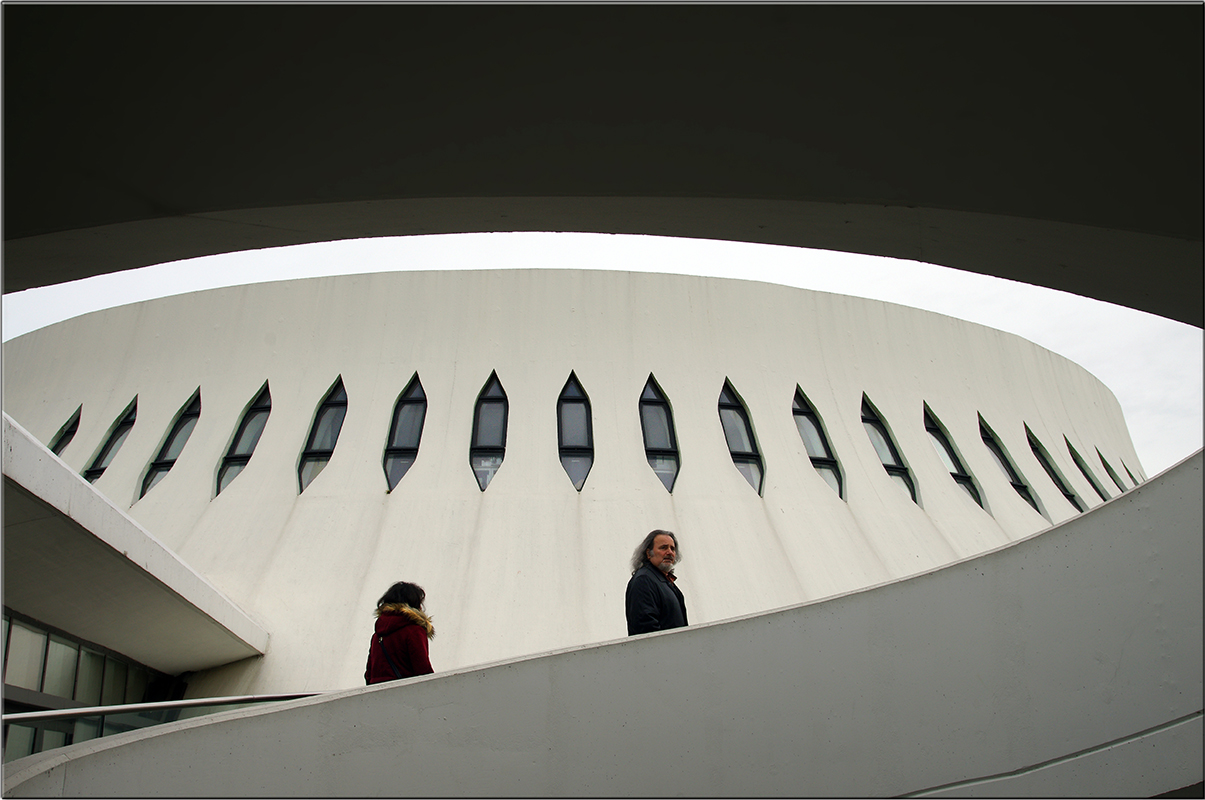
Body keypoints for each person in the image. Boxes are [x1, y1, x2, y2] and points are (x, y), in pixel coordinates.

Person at [364, 581, 435, 684]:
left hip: (377, 694)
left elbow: (369, 673)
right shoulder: (414, 631)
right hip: (404, 693)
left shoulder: (377, 634)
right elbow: (422, 669)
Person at [625, 529, 688, 635]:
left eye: (672, 549)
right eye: (663, 548)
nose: (670, 552)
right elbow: (646, 628)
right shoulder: (643, 580)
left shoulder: (664, 581)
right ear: (648, 553)